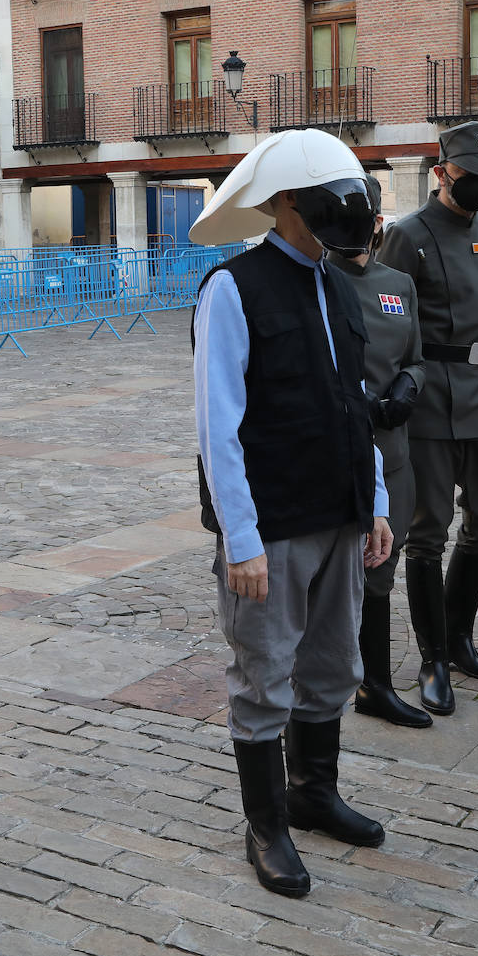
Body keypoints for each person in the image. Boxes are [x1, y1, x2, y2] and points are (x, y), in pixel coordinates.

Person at [190, 128, 394, 899]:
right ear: (279, 204)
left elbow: (357, 406)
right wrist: (239, 538)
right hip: (270, 527)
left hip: (340, 515)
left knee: (334, 667)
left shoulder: (342, 286)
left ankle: (313, 792)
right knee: (264, 677)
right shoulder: (233, 288)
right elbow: (219, 422)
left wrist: (372, 499)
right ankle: (266, 822)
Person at [376, 121, 478, 716]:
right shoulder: (407, 235)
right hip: (430, 397)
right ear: (441, 174)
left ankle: (460, 641)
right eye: (468, 178)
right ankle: (432, 659)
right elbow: (388, 316)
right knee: (427, 531)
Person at [344, 180, 431, 728]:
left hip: (392, 449)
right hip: (339, 446)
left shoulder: (397, 283)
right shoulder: (317, 280)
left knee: (382, 566)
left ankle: (374, 685)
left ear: (377, 220)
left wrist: (408, 387)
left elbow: (417, 357)